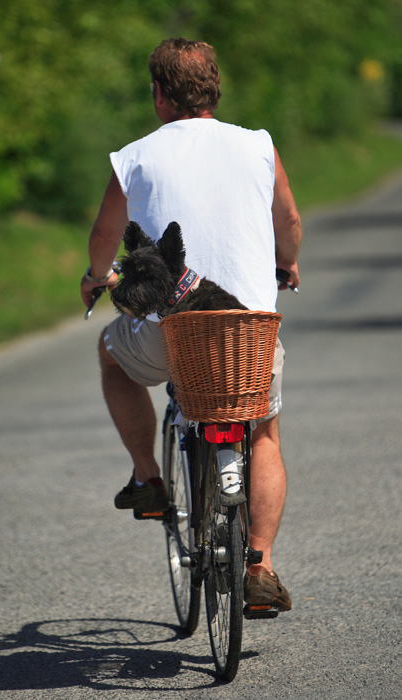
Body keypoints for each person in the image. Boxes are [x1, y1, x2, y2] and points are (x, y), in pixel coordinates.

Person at [80, 38, 302, 612]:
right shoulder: (258, 146)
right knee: (262, 430)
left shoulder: (133, 157)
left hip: (169, 333)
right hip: (245, 334)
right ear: (215, 91)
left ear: (158, 96)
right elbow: (289, 218)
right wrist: (288, 262)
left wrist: (95, 276)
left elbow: (106, 238)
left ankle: (149, 477)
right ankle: (260, 565)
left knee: (111, 354)